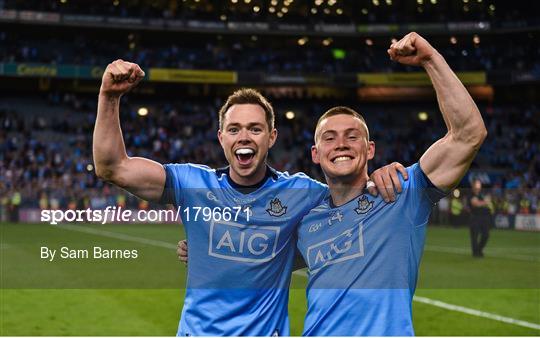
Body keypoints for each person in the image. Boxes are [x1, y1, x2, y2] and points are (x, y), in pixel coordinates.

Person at [179, 32, 486, 335]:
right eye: (329, 137)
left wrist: (431, 59)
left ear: (370, 150)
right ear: (316, 154)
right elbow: (262, 257)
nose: (341, 144)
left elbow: (468, 135)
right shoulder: (308, 221)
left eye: (352, 136)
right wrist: (208, 250)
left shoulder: (400, 192)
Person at [93, 61, 404, 336]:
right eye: (234, 129)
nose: (244, 137)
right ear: (221, 137)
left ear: (271, 137)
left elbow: (349, 199)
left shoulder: (302, 193)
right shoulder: (192, 183)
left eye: (255, 129)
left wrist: (379, 173)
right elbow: (113, 167)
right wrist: (109, 97)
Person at [468, 179, 491, 257]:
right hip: (475, 217)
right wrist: (484, 202)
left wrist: (483, 202)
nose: (478, 186)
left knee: (486, 235)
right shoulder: (471, 194)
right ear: (473, 186)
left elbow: (488, 201)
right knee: (475, 236)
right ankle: (476, 253)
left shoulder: (482, 194)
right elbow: (475, 204)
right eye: (477, 184)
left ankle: (479, 249)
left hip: (484, 217)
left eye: (479, 184)